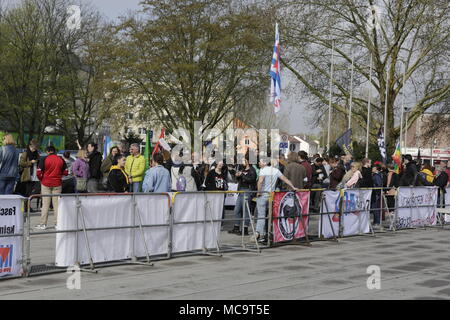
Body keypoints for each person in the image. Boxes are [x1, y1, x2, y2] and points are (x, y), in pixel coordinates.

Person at [251, 157, 299, 243]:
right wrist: (293, 187)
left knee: (261, 215)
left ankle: (259, 233)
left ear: (265, 163)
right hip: (272, 195)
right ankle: (268, 233)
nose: (259, 163)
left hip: (263, 195)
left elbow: (260, 181)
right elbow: (285, 179)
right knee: (270, 216)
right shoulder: (275, 170)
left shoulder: (263, 170)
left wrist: (259, 192)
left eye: (260, 162)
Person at [35, 146, 68, 230]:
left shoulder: (44, 159)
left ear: (47, 151)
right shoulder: (60, 159)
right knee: (56, 205)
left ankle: (43, 224)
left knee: (45, 204)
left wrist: (42, 179)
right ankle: (57, 224)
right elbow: (66, 172)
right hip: (57, 183)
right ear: (54, 151)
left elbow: (38, 172)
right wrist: (59, 175)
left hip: (46, 183)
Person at [228, 157, 257, 236]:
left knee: (246, 210)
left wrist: (242, 175)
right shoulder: (242, 169)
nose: (242, 161)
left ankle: (245, 229)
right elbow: (238, 180)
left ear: (247, 161)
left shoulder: (252, 170)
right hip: (241, 190)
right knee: (237, 209)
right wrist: (237, 175)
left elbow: (252, 180)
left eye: (244, 160)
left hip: (248, 190)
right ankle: (236, 227)